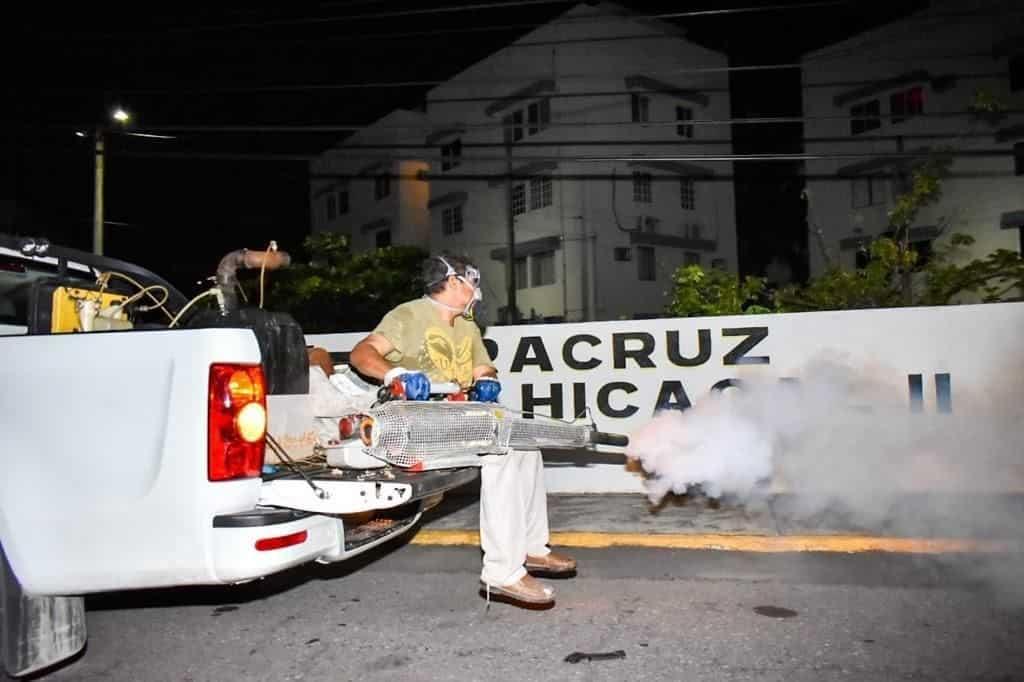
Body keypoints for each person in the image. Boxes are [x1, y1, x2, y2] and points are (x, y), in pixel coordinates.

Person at [349, 253, 575, 606]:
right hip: (414, 426)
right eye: (473, 281)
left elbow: (484, 369)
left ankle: (532, 549)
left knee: (525, 446)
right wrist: (395, 375)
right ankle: (502, 573)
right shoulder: (409, 315)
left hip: (454, 420)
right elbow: (361, 354)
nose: (476, 290)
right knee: (500, 456)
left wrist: (486, 381)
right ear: (454, 281)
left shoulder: (467, 327)